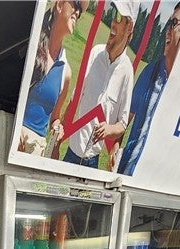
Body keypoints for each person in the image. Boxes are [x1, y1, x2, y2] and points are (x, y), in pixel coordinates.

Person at [118, 1, 180, 175]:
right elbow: (126, 118)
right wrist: (115, 148)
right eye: (168, 23)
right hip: (127, 172)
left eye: (174, 23)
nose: (168, 30)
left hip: (154, 177)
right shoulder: (150, 71)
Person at [60, 0, 138, 169]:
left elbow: (122, 124)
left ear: (129, 27)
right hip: (70, 155)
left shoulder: (127, 72)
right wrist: (58, 142)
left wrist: (109, 129)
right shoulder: (95, 53)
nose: (113, 22)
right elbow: (75, 99)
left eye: (119, 17)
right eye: (113, 14)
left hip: (92, 163)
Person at [19, 0, 83, 155]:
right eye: (75, 4)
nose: (77, 12)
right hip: (11, 133)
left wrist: (57, 126)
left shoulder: (65, 72)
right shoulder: (31, 43)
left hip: (35, 149)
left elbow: (55, 117)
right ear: (59, 5)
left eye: (80, 11)